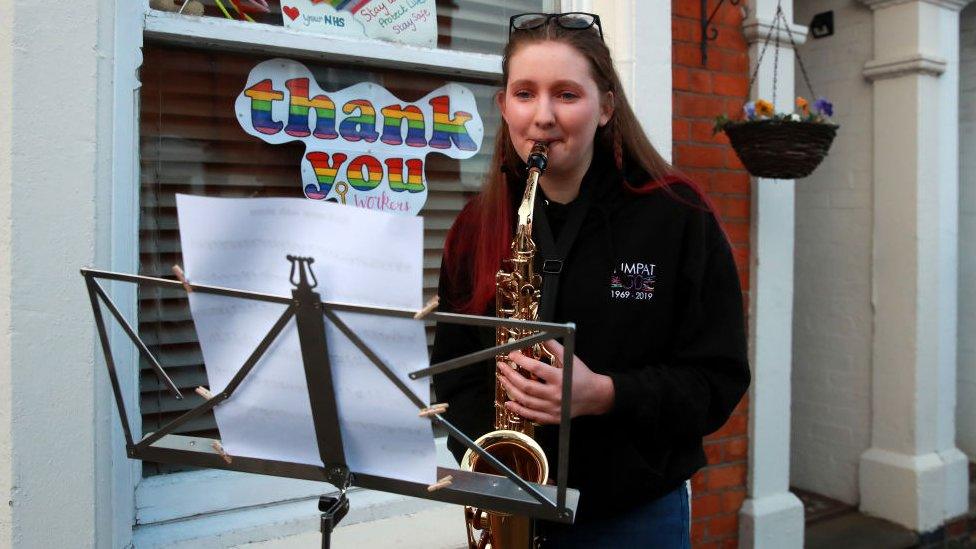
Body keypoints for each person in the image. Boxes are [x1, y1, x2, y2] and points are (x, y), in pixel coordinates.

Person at [431, 12, 750, 548]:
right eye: (525, 93)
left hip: (632, 516)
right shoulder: (474, 226)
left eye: (567, 95)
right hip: (510, 500)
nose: (543, 117)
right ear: (504, 105)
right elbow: (454, 372)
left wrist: (604, 394)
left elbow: (717, 382)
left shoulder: (678, 216)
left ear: (606, 107)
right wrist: (493, 457)